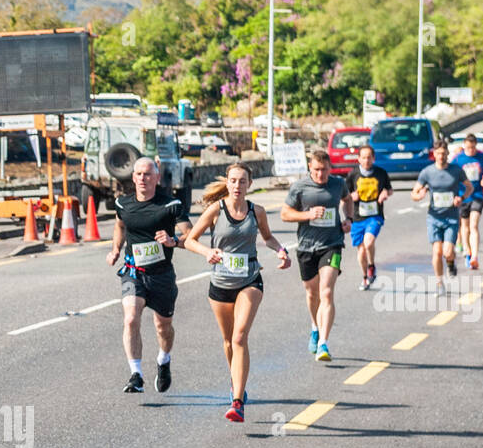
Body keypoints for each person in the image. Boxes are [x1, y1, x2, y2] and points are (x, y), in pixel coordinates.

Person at [182, 162, 290, 422]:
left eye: (242, 181)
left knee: (240, 337)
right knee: (229, 341)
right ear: (227, 183)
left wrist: (281, 251)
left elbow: (268, 238)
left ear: (250, 185)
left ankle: (237, 401)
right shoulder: (215, 211)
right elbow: (189, 240)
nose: (237, 186)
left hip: (249, 280)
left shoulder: (257, 211)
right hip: (220, 284)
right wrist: (208, 252)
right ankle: (236, 381)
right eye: (233, 180)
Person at [108, 157, 193, 392]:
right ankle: (136, 374)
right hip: (133, 272)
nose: (142, 178)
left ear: (156, 177)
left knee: (162, 326)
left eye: (147, 174)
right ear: (133, 177)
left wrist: (173, 240)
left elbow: (191, 236)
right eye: (138, 174)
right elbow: (120, 225)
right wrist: (116, 248)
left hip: (162, 275)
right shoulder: (123, 204)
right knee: (131, 318)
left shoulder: (171, 205)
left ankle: (163, 360)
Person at [281, 148, 352, 362]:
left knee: (327, 293)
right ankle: (315, 326)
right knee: (312, 294)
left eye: (325, 170)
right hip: (306, 246)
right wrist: (308, 214)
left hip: (333, 243)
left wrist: (348, 218)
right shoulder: (300, 187)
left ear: (330, 168)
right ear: (310, 168)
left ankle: (323, 342)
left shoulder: (338, 184)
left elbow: (347, 200)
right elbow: (285, 214)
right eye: (317, 170)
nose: (321, 175)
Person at [411, 139, 472, 295]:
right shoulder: (427, 172)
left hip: (451, 217)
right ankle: (439, 282)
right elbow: (414, 193)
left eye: (443, 153)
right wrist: (420, 195)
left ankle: (450, 262)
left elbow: (469, 187)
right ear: (434, 154)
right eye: (438, 153)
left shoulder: (456, 170)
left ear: (447, 154)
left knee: (447, 251)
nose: (441, 156)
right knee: (437, 252)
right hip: (434, 217)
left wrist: (462, 198)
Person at [344, 144, 392, 289]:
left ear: (373, 158)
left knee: (369, 242)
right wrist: (351, 196)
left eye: (369, 158)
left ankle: (371, 265)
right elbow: (344, 197)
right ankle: (365, 277)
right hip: (357, 217)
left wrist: (385, 193)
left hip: (375, 215)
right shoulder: (353, 175)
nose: (366, 161)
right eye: (363, 158)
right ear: (358, 159)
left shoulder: (381, 173)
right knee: (361, 251)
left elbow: (389, 189)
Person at [450, 134, 483, 270]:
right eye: (468, 147)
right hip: (463, 196)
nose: (471, 150)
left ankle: (474, 256)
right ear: (464, 146)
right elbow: (451, 174)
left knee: (474, 225)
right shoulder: (458, 159)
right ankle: (467, 252)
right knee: (465, 227)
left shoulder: (482, 157)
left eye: (473, 147)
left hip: (478, 194)